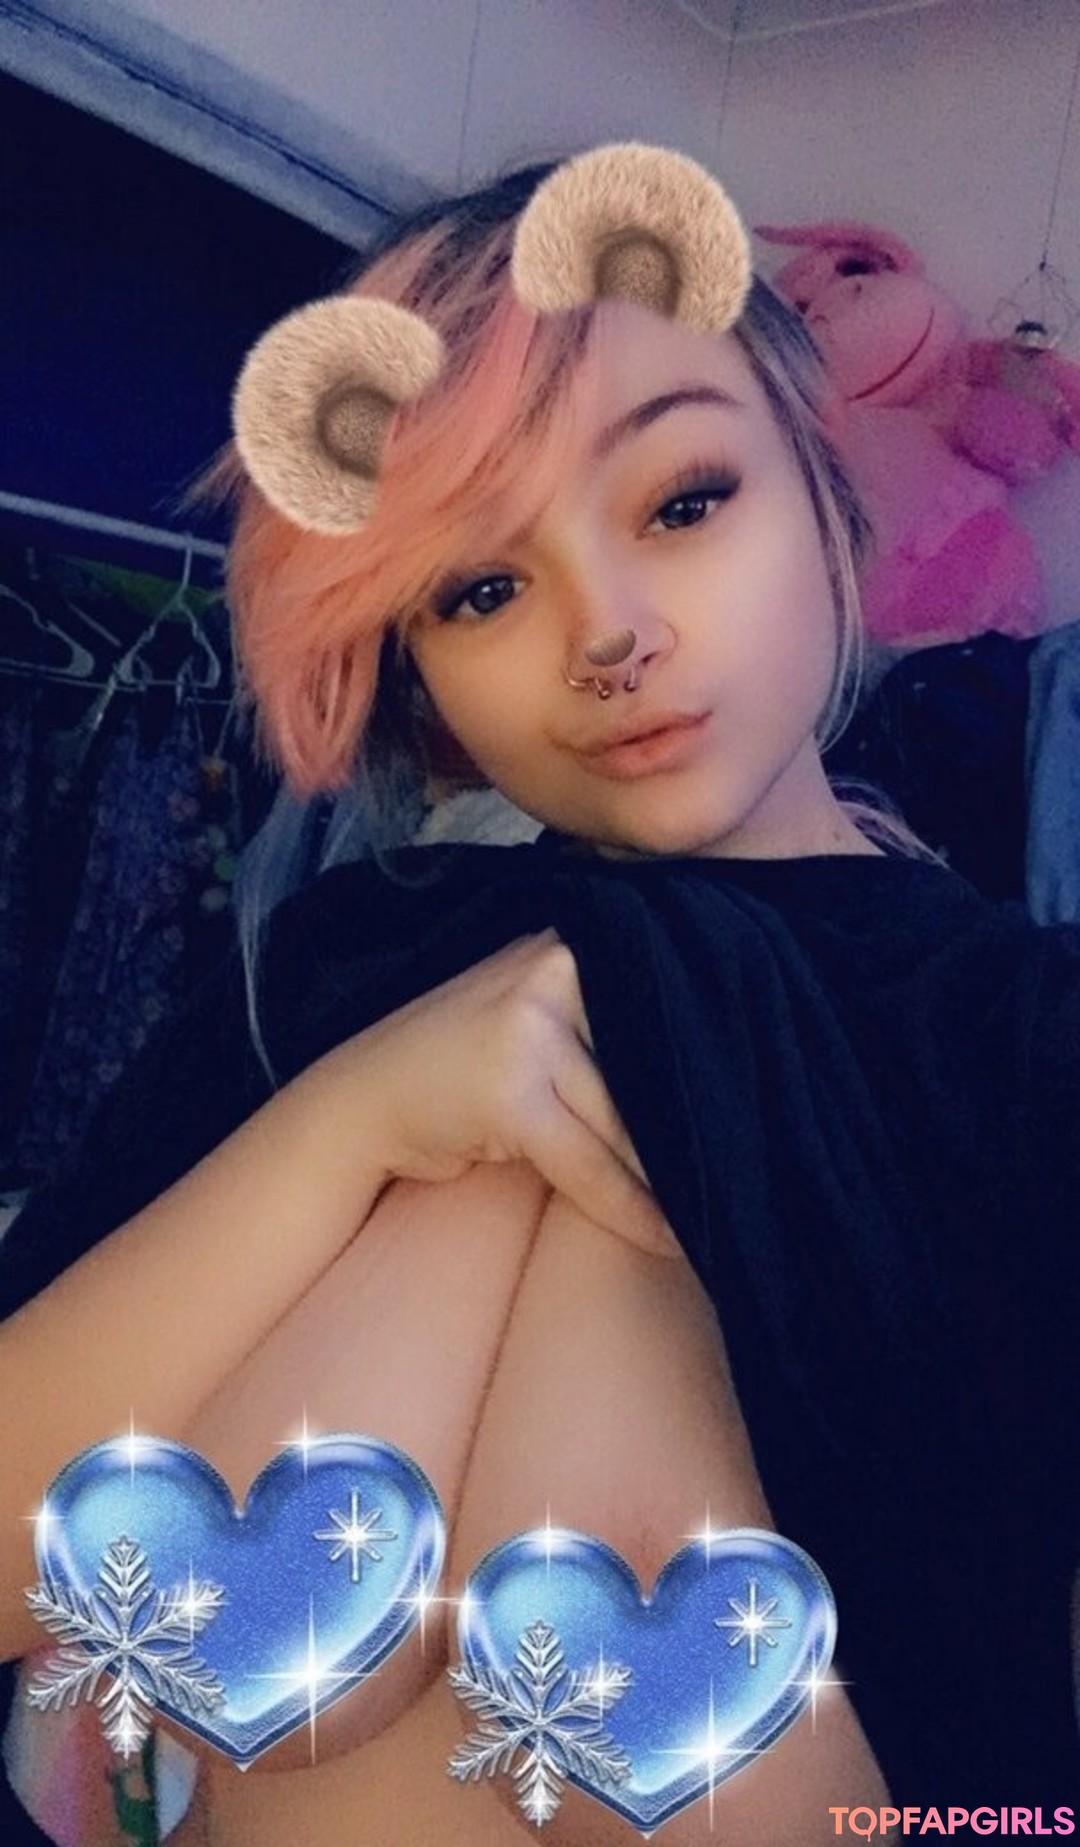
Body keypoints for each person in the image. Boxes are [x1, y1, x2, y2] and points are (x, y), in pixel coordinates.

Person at [0, 145, 1076, 1846]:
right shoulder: (352, 963)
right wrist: (360, 1121)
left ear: (828, 496)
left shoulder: (1021, 1030)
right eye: (483, 588)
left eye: (683, 500)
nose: (608, 633)